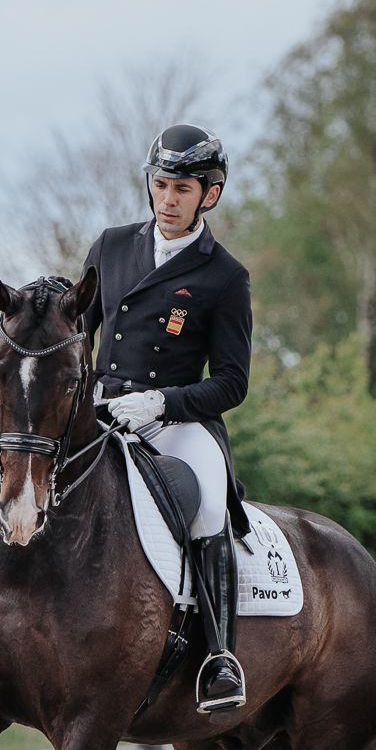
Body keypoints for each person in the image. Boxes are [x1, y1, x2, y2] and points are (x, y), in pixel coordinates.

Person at [79, 124, 253, 713]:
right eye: (160, 185)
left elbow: (233, 382)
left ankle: (220, 658)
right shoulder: (111, 246)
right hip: (104, 408)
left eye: (182, 188)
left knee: (207, 507)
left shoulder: (224, 276)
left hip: (175, 418)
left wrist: (162, 403)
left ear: (210, 194)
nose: (167, 199)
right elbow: (80, 333)